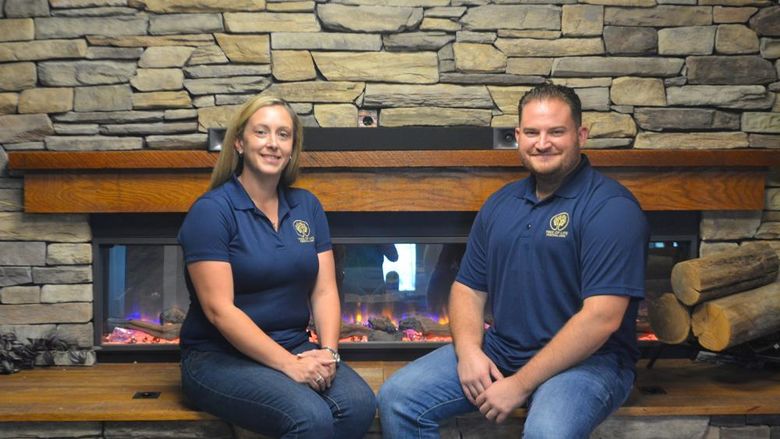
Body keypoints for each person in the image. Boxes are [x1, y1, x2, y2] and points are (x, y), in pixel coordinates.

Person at [378, 84, 649, 438]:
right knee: (398, 398)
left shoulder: (611, 209)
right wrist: (471, 352)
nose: (542, 143)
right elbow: (467, 288)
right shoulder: (500, 204)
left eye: (557, 132)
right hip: (502, 350)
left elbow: (602, 318)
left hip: (590, 364)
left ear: (581, 135)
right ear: (518, 136)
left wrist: (520, 384)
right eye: (532, 132)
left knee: (546, 433)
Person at [177, 95, 376, 438]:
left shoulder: (306, 206)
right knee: (309, 417)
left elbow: (325, 289)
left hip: (294, 344)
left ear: (292, 147)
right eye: (262, 132)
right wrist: (290, 365)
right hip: (216, 358)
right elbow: (219, 310)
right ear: (239, 142)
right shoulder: (211, 211)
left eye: (283, 135)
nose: (273, 144)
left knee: (359, 405)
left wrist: (328, 353)